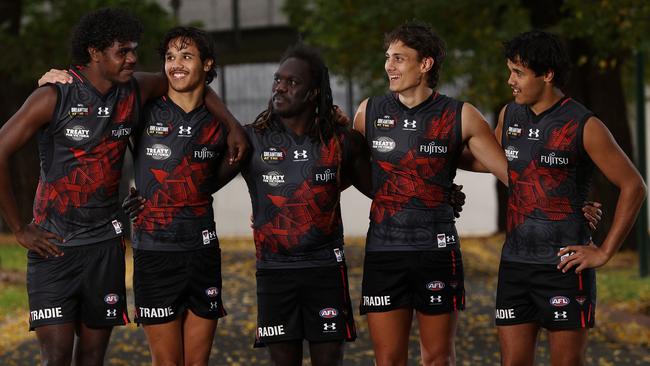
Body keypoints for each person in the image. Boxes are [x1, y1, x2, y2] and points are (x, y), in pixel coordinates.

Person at [2, 8, 246, 366]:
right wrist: (19, 228)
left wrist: (232, 124)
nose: (133, 58)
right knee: (55, 358)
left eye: (134, 50)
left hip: (106, 247)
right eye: (123, 51)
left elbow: (189, 83)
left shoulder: (134, 90)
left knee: (92, 357)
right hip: (55, 247)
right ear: (94, 52)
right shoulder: (54, 96)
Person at [352, 22, 509, 366]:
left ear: (426, 64)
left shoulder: (461, 115)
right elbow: (353, 171)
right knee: (388, 359)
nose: (388, 66)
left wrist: (573, 204)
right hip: (385, 250)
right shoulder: (368, 112)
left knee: (437, 358)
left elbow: (511, 174)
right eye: (387, 58)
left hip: (436, 251)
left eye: (399, 58)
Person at [490, 30, 646, 366]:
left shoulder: (583, 124)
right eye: (510, 71)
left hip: (562, 267)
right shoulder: (510, 115)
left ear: (546, 74)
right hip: (515, 264)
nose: (510, 80)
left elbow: (634, 185)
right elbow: (483, 158)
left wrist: (604, 252)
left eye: (518, 72)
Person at [210, 44, 371, 366]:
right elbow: (200, 186)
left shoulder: (342, 141)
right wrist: (145, 194)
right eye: (277, 80)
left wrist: (440, 192)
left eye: (292, 82)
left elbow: (384, 191)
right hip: (274, 273)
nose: (279, 87)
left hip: (326, 271)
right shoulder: (250, 140)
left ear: (313, 93)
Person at [126, 27, 227, 366]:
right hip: (155, 253)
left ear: (207, 63)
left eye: (186, 56)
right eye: (170, 57)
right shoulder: (143, 109)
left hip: (203, 253)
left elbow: (213, 181)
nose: (176, 64)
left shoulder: (220, 124)